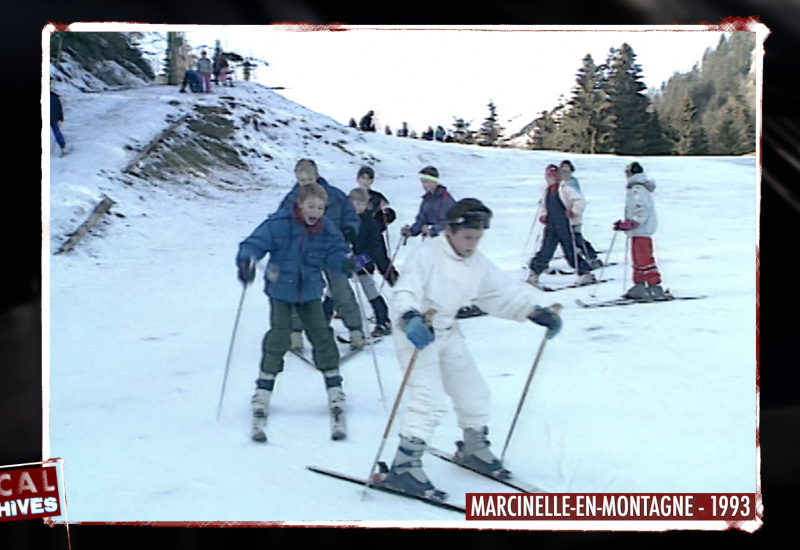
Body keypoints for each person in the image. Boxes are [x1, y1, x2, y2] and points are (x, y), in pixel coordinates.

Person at [381, 198, 563, 497]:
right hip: (417, 331)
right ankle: (404, 466)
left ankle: (473, 447)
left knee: (474, 392)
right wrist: (409, 317)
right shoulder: (426, 255)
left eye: (478, 238)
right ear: (450, 231)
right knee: (429, 400)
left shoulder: (475, 262)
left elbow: (500, 291)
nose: (472, 243)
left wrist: (534, 311)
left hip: (448, 330)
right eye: (467, 237)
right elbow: (406, 289)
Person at [236, 182, 359, 438]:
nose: (315, 211)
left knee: (321, 336)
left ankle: (335, 390)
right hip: (281, 291)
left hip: (311, 291)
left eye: (321, 207)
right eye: (311, 206)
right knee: (279, 336)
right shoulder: (280, 223)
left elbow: (336, 252)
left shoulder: (326, 228)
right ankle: (262, 392)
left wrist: (345, 262)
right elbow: (253, 244)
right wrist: (247, 261)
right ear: (300, 204)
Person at [275, 159, 366, 351]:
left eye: (308, 179)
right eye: (301, 180)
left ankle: (355, 330)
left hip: (333, 249)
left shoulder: (335, 195)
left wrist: (350, 229)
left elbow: (351, 216)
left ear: (316, 176)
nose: (305, 184)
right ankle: (296, 333)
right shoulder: (293, 198)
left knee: (340, 289)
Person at [526, 164, 597, 288]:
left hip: (565, 224)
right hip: (551, 224)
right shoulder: (546, 189)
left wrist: (574, 211)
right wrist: (544, 215)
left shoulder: (565, 188)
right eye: (549, 176)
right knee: (546, 250)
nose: (551, 178)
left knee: (570, 250)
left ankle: (585, 273)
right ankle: (534, 273)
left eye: (554, 175)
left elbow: (580, 201)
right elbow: (544, 205)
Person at [614, 162, 667, 301]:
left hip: (641, 230)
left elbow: (641, 208)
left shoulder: (637, 189)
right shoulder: (637, 188)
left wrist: (634, 222)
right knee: (637, 259)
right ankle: (639, 285)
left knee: (644, 258)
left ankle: (654, 286)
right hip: (637, 231)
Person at [348, 188, 393, 337]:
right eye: (356, 203)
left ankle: (383, 321)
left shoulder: (370, 223)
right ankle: (323, 321)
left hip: (363, 265)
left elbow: (376, 245)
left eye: (362, 204)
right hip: (346, 263)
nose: (359, 207)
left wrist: (366, 257)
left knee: (371, 292)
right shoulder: (345, 220)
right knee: (333, 292)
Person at [356, 166, 399, 286]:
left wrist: (386, 216)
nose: (365, 181)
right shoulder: (353, 197)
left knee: (384, 264)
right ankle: (372, 296)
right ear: (358, 179)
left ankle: (400, 287)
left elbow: (389, 214)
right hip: (360, 239)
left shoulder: (377, 197)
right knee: (364, 269)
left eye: (368, 179)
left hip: (375, 238)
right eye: (363, 178)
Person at [559, 160, 601, 269]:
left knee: (577, 238)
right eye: (563, 168)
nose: (564, 171)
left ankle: (591, 257)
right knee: (572, 239)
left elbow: (579, 200)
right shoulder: (561, 183)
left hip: (573, 217)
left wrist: (574, 211)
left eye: (567, 168)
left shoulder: (571, 182)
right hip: (564, 217)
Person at [400, 166, 457, 239]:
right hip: (429, 241)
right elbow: (421, 219)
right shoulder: (427, 199)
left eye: (425, 181)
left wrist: (432, 230)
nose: (423, 185)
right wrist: (411, 231)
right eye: (422, 182)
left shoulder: (446, 199)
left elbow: (448, 222)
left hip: (444, 241)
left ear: (434, 181)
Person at [50, 89, 67, 157]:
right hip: (54, 118)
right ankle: (62, 147)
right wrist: (61, 117)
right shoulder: (55, 98)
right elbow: (59, 108)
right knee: (56, 131)